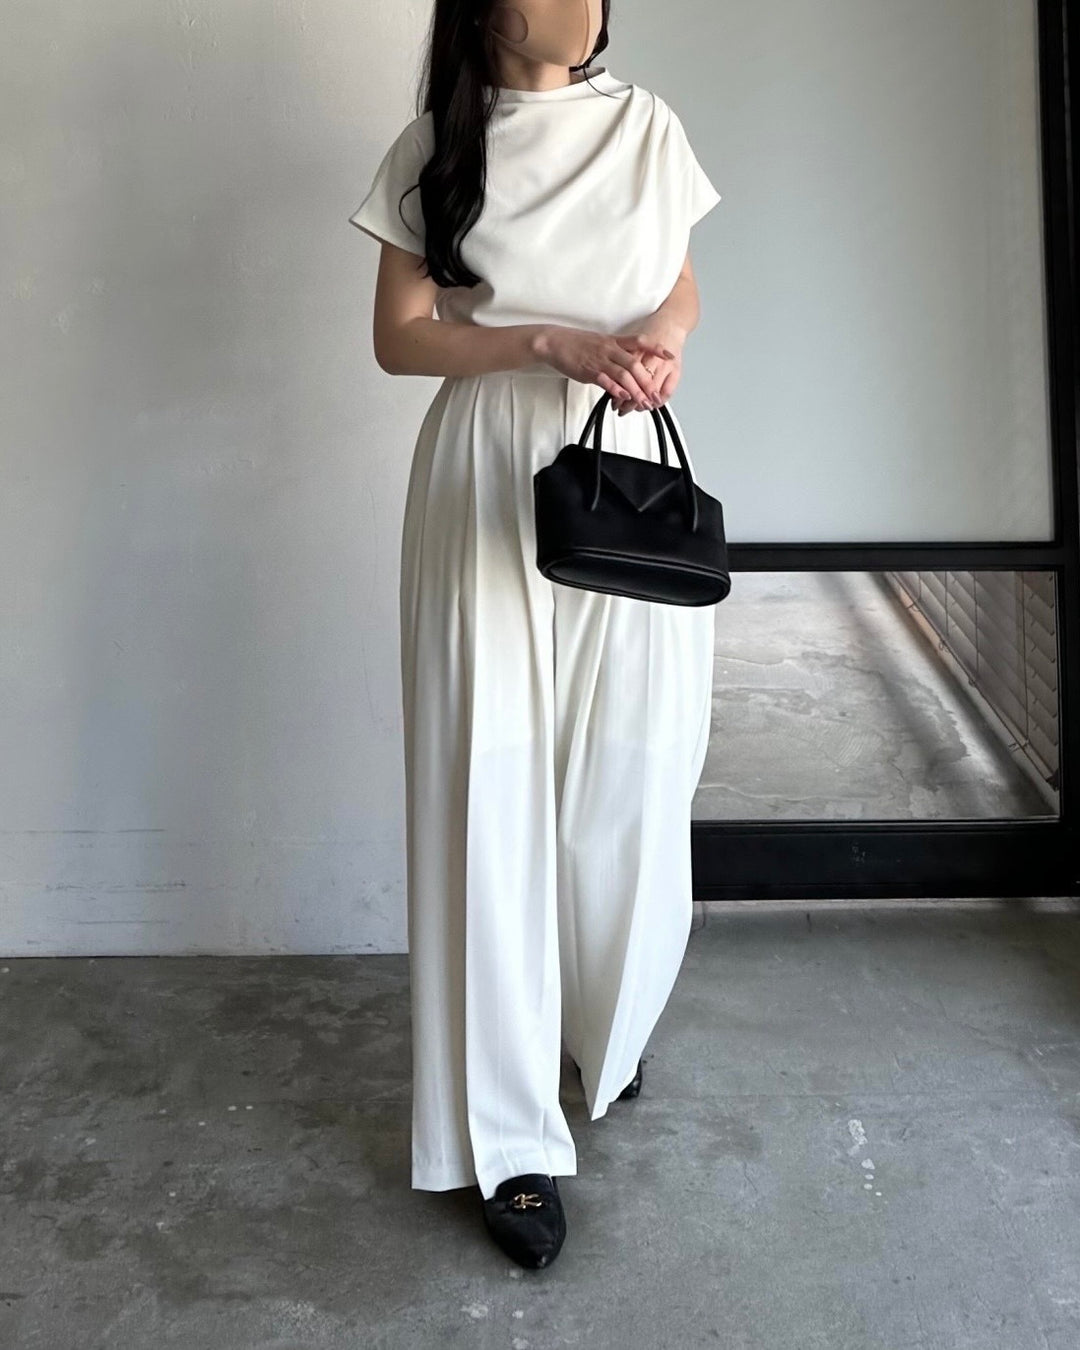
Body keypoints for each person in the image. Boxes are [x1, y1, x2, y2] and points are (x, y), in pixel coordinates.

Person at [348, 0, 722, 1270]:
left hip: (626, 464)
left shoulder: (650, 128)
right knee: (489, 792)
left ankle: (601, 1030)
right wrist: (544, 342)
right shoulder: (434, 148)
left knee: (633, 774)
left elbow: (677, 282)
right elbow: (400, 338)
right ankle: (505, 1139)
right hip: (484, 468)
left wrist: (661, 342)